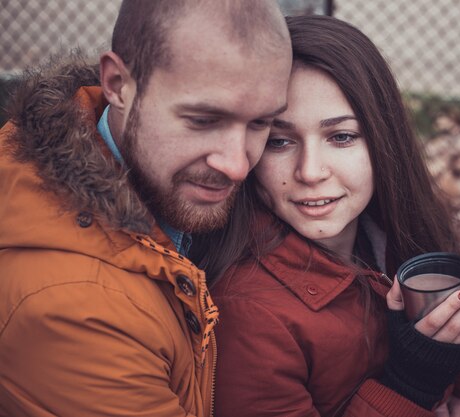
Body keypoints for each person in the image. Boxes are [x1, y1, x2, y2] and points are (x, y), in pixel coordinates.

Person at [197, 15, 460, 417]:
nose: (311, 171)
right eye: (279, 141)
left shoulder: (398, 233)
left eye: (341, 137)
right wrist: (412, 388)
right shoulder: (249, 313)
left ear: (382, 139)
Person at [0, 1, 292, 416]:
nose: (238, 165)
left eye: (261, 124)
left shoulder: (164, 182)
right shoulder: (73, 311)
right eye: (203, 120)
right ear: (118, 84)